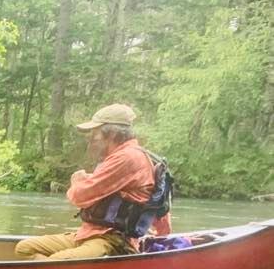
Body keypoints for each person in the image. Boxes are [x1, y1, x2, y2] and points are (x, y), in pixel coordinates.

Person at [15, 104, 172, 260]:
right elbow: (158, 206)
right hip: (90, 234)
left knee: (57, 260)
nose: (91, 140)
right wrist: (163, 232)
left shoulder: (127, 158)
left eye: (94, 134)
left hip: (112, 241)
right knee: (24, 248)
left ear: (110, 134)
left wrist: (77, 181)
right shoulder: (126, 157)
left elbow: (79, 197)